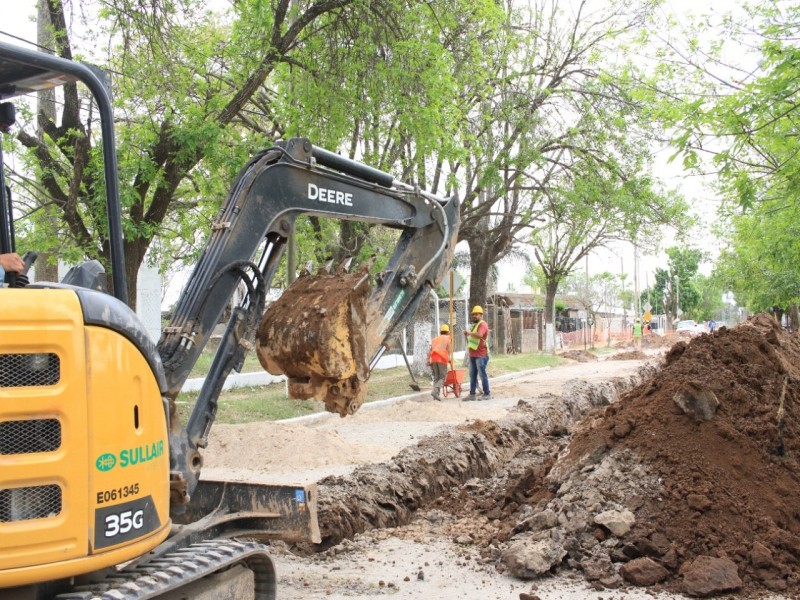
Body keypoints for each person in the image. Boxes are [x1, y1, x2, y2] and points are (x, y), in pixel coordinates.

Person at [463, 305, 490, 401]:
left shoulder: (483, 324)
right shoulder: (475, 325)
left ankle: (487, 393)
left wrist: (469, 333)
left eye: (476, 314)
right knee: (472, 375)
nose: (474, 316)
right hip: (473, 354)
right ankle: (472, 394)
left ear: (481, 315)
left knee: (482, 374)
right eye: (473, 314)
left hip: (481, 355)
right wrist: (468, 333)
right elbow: (473, 337)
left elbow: (479, 335)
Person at [427, 324, 452, 401]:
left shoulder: (435, 339)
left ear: (440, 331)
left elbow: (430, 350)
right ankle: (435, 392)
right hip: (442, 359)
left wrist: (428, 360)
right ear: (448, 332)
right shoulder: (448, 338)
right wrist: (449, 358)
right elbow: (449, 349)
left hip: (433, 359)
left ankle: (435, 396)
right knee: (442, 377)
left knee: (436, 378)